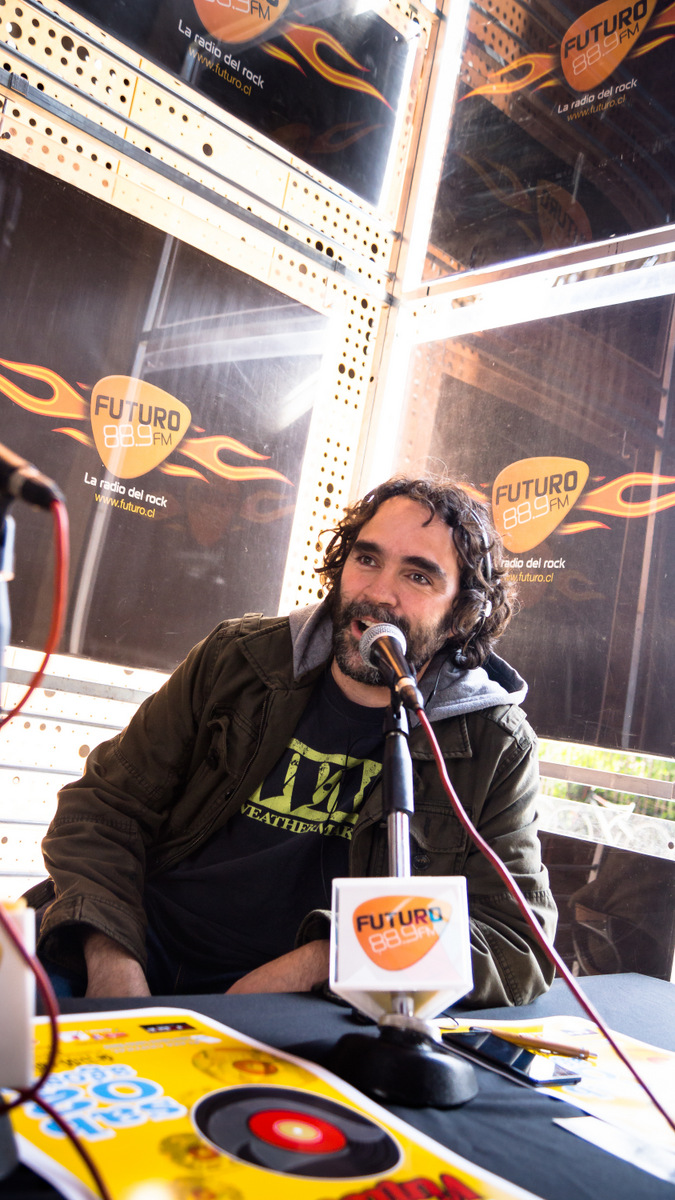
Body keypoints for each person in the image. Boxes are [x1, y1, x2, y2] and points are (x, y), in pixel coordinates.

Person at [31, 476, 556, 1003]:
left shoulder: (493, 744)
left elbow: (517, 942)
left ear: (462, 615)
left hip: (305, 1003)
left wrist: (328, 958)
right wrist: (113, 960)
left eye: (417, 576)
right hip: (135, 945)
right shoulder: (237, 659)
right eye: (367, 559)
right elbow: (101, 808)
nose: (378, 593)